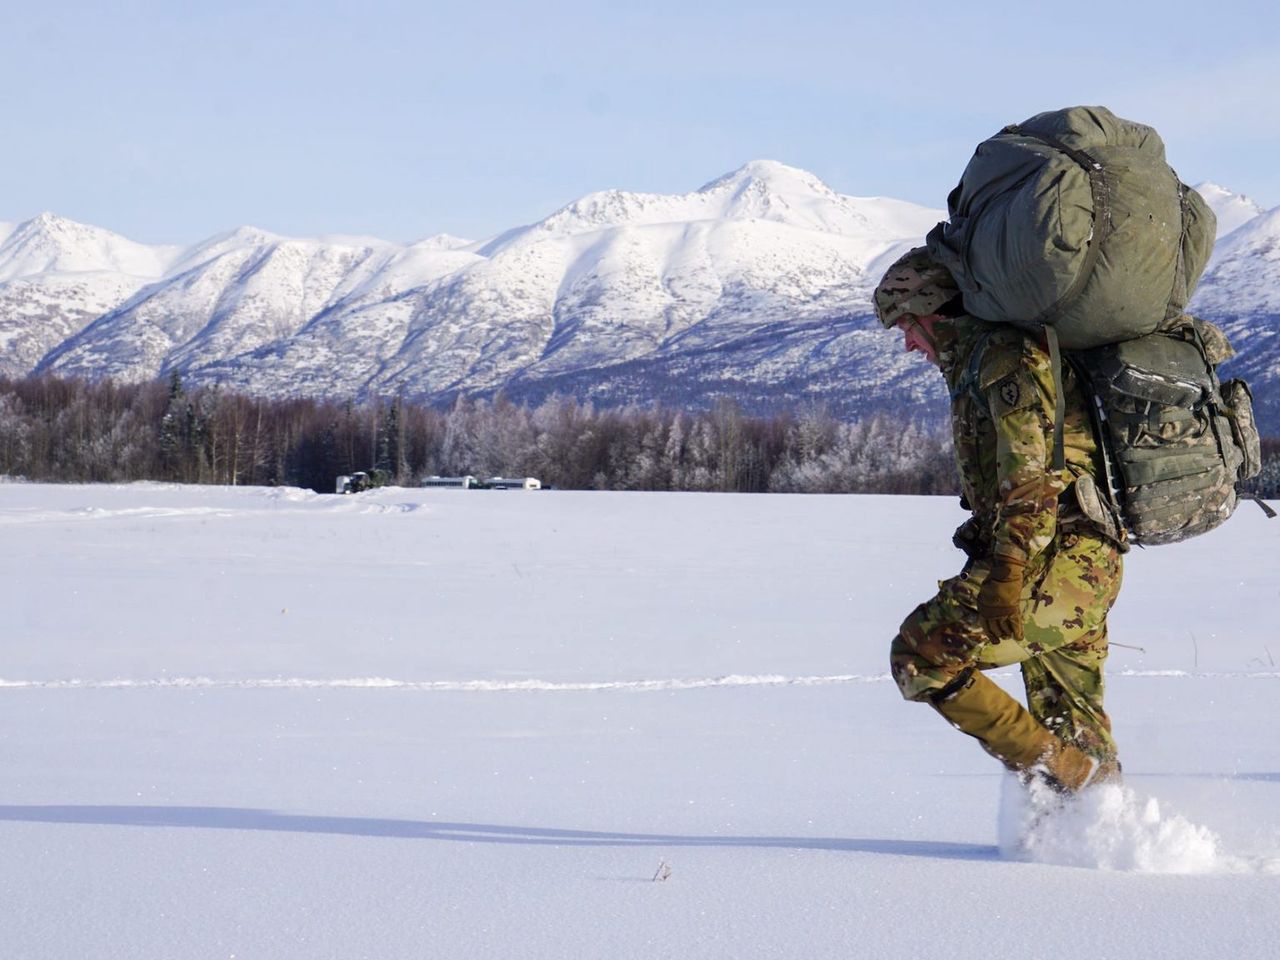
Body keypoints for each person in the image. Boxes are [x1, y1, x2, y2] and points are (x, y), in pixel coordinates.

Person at [873, 247, 1128, 794]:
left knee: (922, 655)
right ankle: (1105, 834)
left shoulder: (1002, 358)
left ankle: (1070, 777)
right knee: (1072, 721)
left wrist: (1008, 570)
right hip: (1081, 562)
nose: (909, 343)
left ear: (934, 309)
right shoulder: (980, 359)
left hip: (1056, 562)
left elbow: (1031, 474)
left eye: (909, 326)